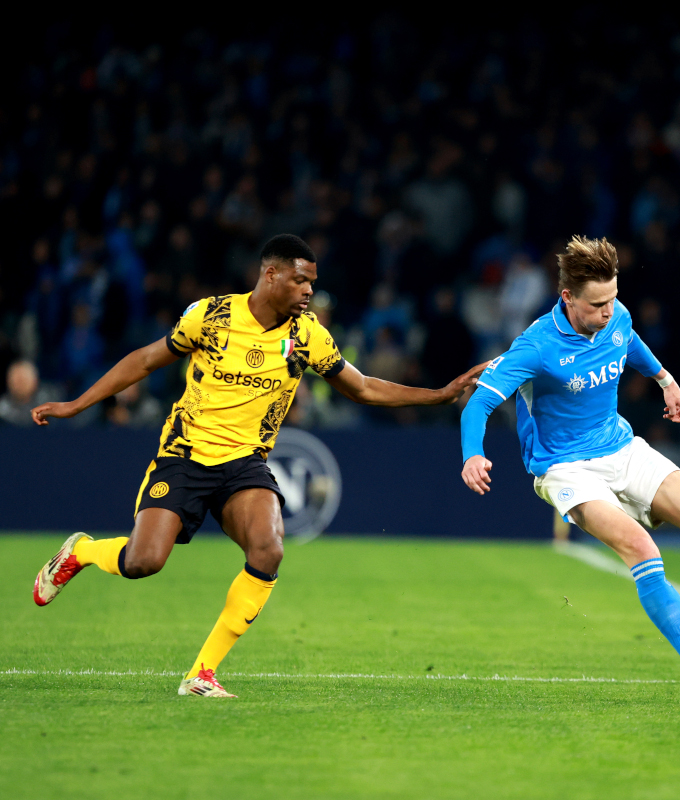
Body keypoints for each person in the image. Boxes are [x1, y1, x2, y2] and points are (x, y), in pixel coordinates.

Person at [30, 234, 485, 698]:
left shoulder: (306, 335)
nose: (309, 292)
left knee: (268, 549)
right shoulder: (212, 316)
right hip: (184, 454)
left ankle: (201, 673)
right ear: (271, 274)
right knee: (143, 561)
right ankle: (81, 552)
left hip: (245, 462)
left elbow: (363, 387)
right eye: (301, 280)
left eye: (312, 282)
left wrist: (441, 394)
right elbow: (146, 360)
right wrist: (77, 404)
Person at [460, 235, 680, 703]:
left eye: (612, 299)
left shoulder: (617, 315)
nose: (608, 311)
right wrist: (472, 453)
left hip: (621, 449)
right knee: (641, 548)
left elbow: (629, 341)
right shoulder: (535, 347)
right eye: (597, 304)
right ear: (567, 298)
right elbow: (479, 404)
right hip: (565, 470)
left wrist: (665, 380)